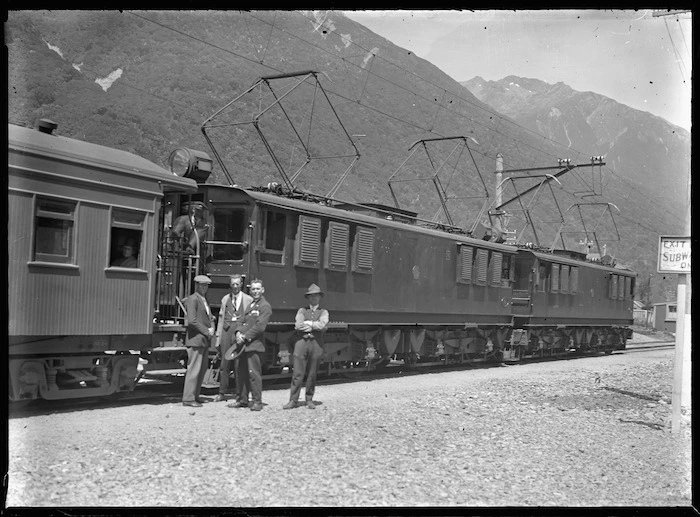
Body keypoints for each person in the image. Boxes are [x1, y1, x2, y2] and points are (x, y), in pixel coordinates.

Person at [227, 279, 272, 412]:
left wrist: (245, 336)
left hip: (254, 345)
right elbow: (241, 320)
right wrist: (237, 333)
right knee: (241, 373)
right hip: (243, 346)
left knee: (254, 374)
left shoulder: (265, 306)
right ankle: (242, 399)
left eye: (258, 289)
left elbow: (260, 327)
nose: (255, 291)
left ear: (262, 290)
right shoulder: (250, 305)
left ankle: (257, 401)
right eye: (253, 289)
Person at [283, 284, 329, 410]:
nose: (314, 298)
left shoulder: (324, 312)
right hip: (301, 343)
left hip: (316, 344)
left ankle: (309, 399)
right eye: (311, 296)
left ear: (320, 297)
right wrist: (315, 325)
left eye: (316, 295)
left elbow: (323, 324)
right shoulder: (301, 311)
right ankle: (293, 400)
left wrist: (309, 324)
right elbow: (298, 325)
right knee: (297, 373)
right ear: (308, 298)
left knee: (312, 373)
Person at [213, 274, 253, 402]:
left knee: (238, 364)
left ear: (241, 284)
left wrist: (245, 334)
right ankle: (222, 392)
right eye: (233, 284)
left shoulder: (248, 300)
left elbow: (249, 320)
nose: (235, 287)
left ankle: (239, 393)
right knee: (224, 363)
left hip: (239, 333)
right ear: (230, 285)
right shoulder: (225, 299)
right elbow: (220, 318)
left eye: (237, 284)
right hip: (226, 331)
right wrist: (218, 337)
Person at [182, 275, 215, 407]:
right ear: (196, 285)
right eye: (201, 285)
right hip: (196, 339)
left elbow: (209, 317)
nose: (204, 287)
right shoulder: (193, 299)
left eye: (206, 285)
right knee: (194, 369)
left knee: (201, 369)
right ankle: (188, 398)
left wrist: (212, 327)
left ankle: (195, 396)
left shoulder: (204, 299)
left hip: (203, 340)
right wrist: (207, 331)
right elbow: (192, 321)